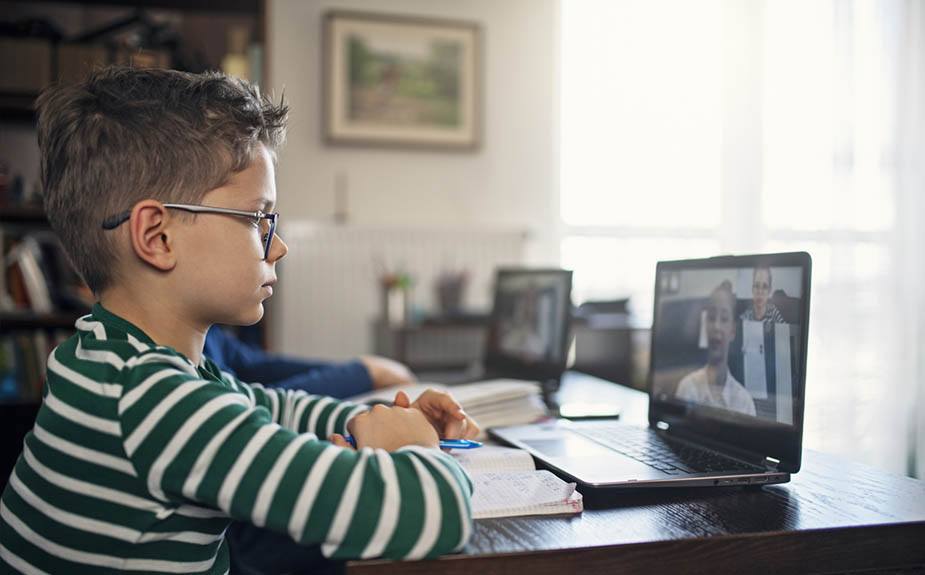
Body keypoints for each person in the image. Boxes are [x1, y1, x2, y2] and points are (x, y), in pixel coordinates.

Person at [0, 66, 478, 575]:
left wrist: (380, 419)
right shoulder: (160, 402)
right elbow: (435, 516)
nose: (279, 245)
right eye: (258, 219)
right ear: (158, 237)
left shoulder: (106, 356)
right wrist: (416, 447)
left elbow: (270, 407)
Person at [204, 325, 413, 398]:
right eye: (253, 223)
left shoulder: (210, 334)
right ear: (168, 243)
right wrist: (363, 373)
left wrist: (361, 368)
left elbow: (251, 364)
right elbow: (245, 406)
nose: (279, 249)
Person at [675, 280, 757, 416]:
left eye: (724, 318)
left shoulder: (744, 403)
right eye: (711, 318)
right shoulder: (687, 388)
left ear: (733, 331)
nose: (716, 327)